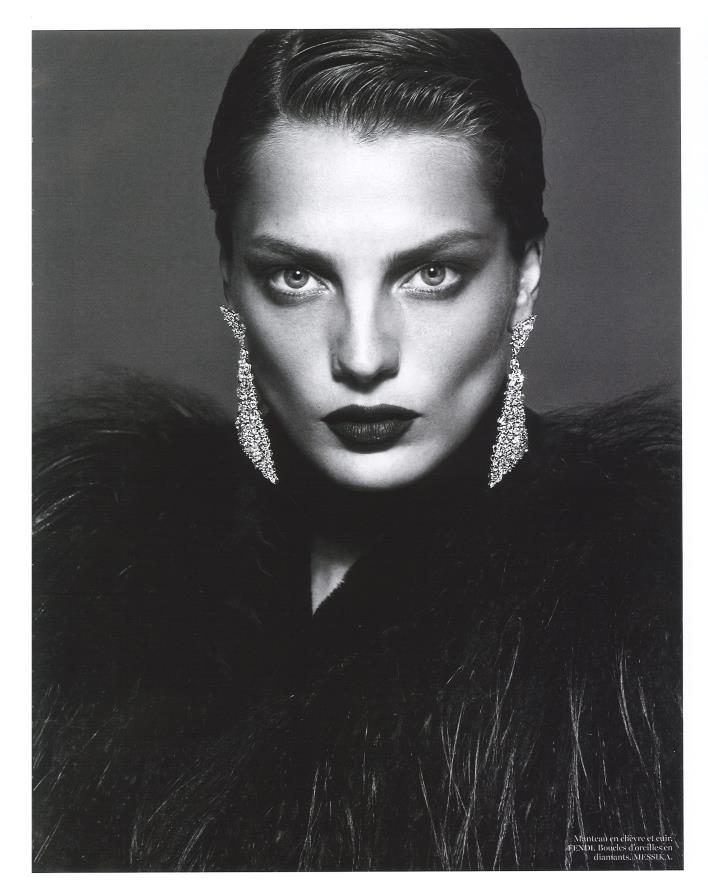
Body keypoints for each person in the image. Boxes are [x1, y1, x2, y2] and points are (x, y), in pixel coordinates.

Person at [32, 29, 681, 871]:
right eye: (298, 277)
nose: (365, 355)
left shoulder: (652, 608)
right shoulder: (71, 576)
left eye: (432, 274)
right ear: (231, 285)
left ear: (523, 279)